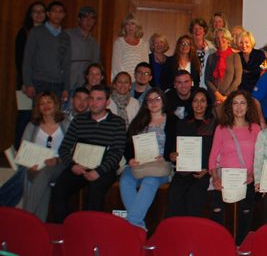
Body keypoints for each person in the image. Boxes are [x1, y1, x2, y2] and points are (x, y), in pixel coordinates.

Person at [50, 85, 127, 223]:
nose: (94, 102)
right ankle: (65, 229)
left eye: (99, 99)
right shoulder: (79, 120)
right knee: (58, 191)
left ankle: (91, 234)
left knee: (95, 192)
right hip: (78, 166)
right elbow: (64, 148)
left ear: (107, 102)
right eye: (91, 98)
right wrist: (72, 165)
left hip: (103, 169)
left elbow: (116, 153)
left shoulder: (117, 123)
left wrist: (98, 171)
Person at [208, 91, 261, 244]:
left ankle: (240, 245)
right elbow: (212, 157)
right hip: (224, 177)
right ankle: (220, 245)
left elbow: (259, 157)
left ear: (248, 106)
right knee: (218, 209)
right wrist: (216, 178)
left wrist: (252, 175)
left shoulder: (256, 129)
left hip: (247, 178)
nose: (239, 107)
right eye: (235, 103)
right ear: (230, 107)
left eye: (242, 103)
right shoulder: (221, 128)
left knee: (246, 210)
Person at [119, 88, 173, 230]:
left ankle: (133, 225)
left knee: (150, 181)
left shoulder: (173, 121)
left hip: (160, 166)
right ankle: (137, 225)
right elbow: (127, 144)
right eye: (150, 100)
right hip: (138, 164)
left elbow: (176, 147)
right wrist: (130, 159)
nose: (153, 103)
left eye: (157, 99)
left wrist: (166, 156)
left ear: (163, 101)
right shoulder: (139, 121)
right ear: (146, 103)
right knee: (125, 180)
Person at [18, 92, 70, 221]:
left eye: (49, 102)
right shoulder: (32, 126)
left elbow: (73, 149)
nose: (45, 105)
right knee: (43, 183)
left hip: (59, 164)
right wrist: (29, 165)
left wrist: (57, 160)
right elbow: (23, 149)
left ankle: (26, 218)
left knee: (45, 173)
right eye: (42, 103)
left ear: (55, 104)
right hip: (34, 167)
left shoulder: (66, 123)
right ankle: (38, 226)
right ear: (38, 107)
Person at [166, 88, 217, 218]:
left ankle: (191, 232)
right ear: (191, 103)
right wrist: (173, 156)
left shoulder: (215, 124)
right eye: (195, 101)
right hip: (184, 170)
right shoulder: (182, 124)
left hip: (204, 171)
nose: (199, 105)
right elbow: (174, 148)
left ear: (207, 103)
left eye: (202, 101)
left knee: (194, 193)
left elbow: (217, 151)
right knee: (174, 192)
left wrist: (207, 169)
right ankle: (176, 231)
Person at [23, 1, 71, 102]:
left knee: (54, 115)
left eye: (60, 12)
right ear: (48, 14)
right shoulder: (36, 32)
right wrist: (28, 84)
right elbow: (27, 59)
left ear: (64, 15)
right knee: (39, 115)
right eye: (54, 11)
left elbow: (66, 64)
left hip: (58, 83)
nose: (57, 14)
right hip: (39, 82)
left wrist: (66, 88)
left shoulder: (66, 36)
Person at [205, 28, 243, 114]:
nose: (220, 40)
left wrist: (226, 96)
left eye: (223, 37)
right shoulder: (211, 57)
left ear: (228, 39)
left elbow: (238, 79)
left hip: (231, 98)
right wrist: (217, 94)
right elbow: (207, 79)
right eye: (217, 38)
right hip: (215, 98)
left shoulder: (235, 57)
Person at [65, 6, 100, 93]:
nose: (89, 21)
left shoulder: (94, 43)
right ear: (79, 19)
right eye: (85, 17)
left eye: (92, 18)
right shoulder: (67, 35)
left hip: (84, 88)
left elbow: (96, 66)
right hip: (66, 85)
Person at [15, 1, 46, 90]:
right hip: (28, 78)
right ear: (30, 14)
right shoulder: (24, 32)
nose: (39, 14)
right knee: (26, 104)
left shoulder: (51, 33)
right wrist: (25, 80)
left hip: (46, 78)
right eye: (35, 11)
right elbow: (19, 58)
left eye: (42, 11)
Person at [111, 12, 147, 82]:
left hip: (139, 82)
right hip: (123, 83)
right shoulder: (119, 43)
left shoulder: (143, 44)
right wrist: (125, 81)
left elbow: (145, 66)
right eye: (127, 24)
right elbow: (116, 66)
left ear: (137, 26)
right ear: (124, 27)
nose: (130, 27)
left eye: (133, 24)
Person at [190, 18, 215, 83]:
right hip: (191, 84)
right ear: (191, 31)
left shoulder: (212, 47)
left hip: (208, 84)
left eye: (200, 28)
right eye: (195, 28)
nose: (197, 31)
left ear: (204, 30)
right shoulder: (187, 47)